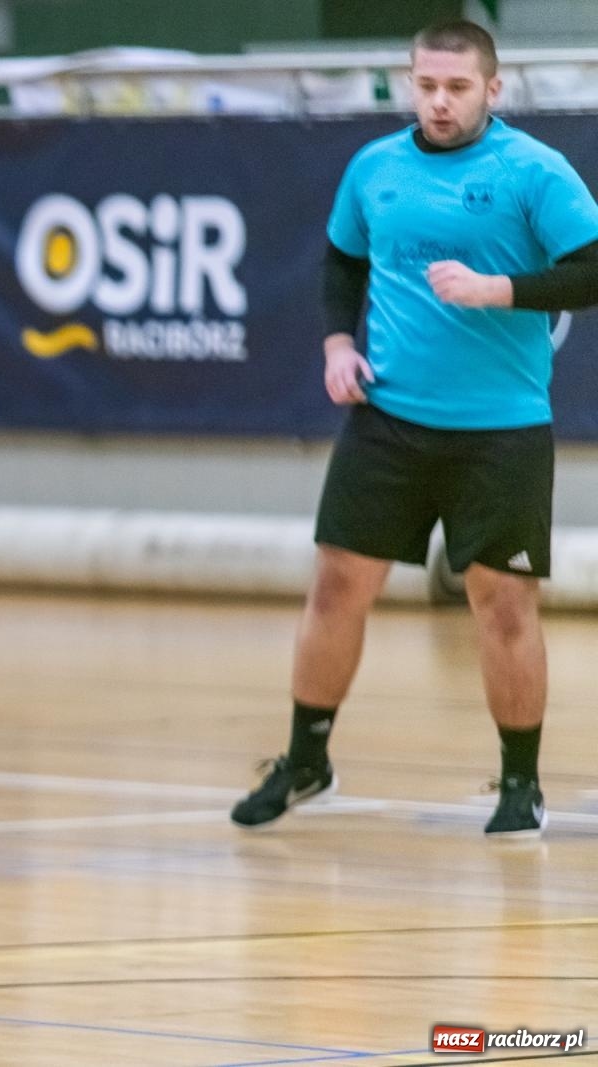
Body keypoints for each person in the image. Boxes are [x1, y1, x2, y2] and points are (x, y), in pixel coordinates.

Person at [232, 19, 598, 837]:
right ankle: (306, 760)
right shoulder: (375, 167)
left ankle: (520, 783)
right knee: (336, 586)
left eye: (457, 87)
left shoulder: (533, 170)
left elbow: (591, 268)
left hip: (501, 432)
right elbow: (342, 260)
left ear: (492, 89)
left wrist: (500, 289)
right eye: (426, 85)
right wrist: (337, 345)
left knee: (503, 605)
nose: (439, 101)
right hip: (388, 421)